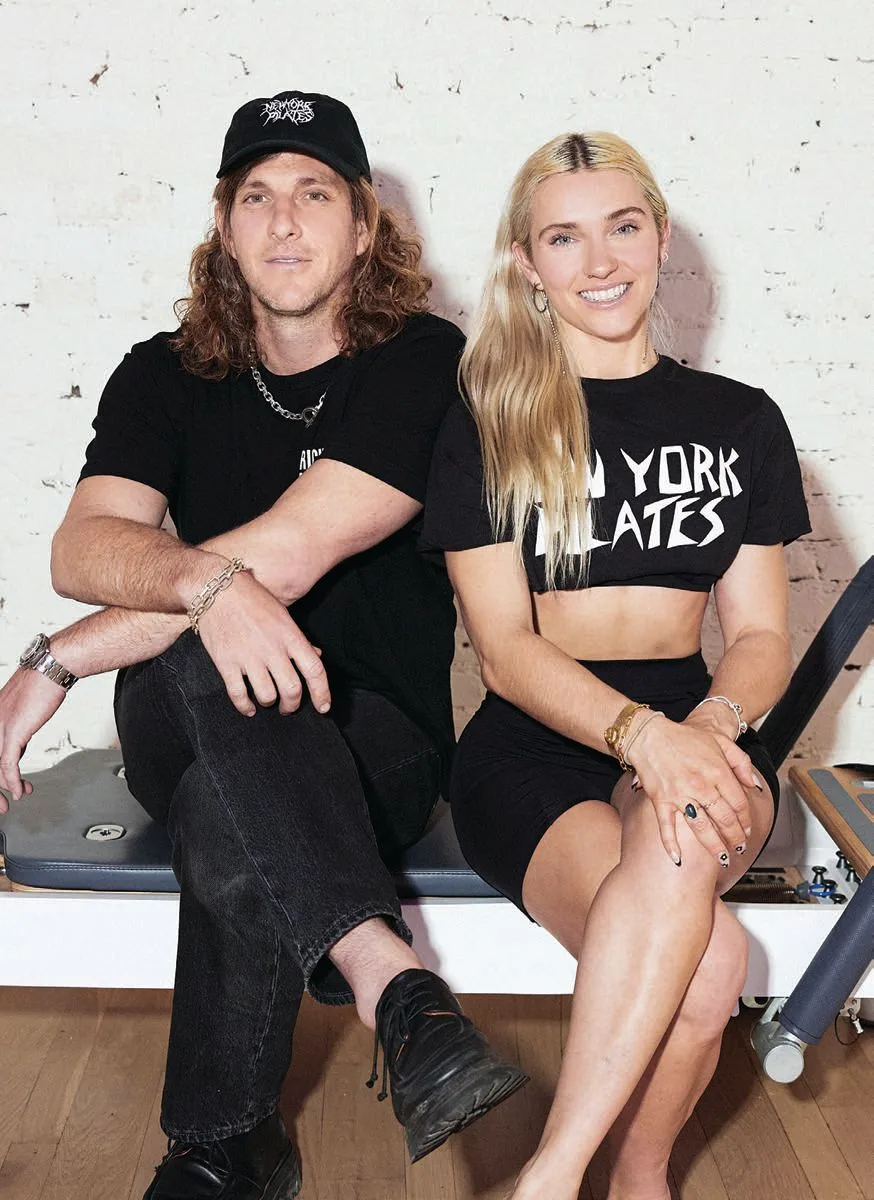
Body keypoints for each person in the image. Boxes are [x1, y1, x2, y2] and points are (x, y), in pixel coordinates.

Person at [0, 91, 526, 1200]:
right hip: (180, 716)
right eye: (257, 197)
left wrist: (64, 657)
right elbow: (81, 545)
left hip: (373, 742)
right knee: (216, 635)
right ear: (225, 227)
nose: (284, 221)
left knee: (224, 805)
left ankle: (226, 1147)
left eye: (315, 194)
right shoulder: (161, 374)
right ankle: (393, 987)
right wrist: (204, 588)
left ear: (363, 227)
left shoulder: (425, 361)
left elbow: (292, 550)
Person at [422, 131, 810, 1200]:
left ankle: (562, 1178)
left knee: (681, 830)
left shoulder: (739, 420)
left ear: (660, 238)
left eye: (622, 228)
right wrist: (644, 740)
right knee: (712, 968)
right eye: (564, 238)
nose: (599, 262)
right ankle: (630, 1182)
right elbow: (505, 651)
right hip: (532, 747)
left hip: (704, 722)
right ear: (526, 263)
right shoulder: (488, 423)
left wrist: (706, 734)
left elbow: (762, 638)